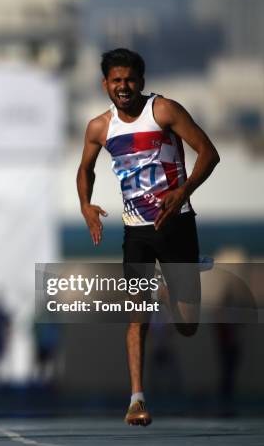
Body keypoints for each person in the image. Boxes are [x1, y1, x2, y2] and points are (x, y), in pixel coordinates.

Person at [76, 48, 220, 426]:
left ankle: (174, 288)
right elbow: (85, 169)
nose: (123, 87)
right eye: (116, 80)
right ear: (105, 84)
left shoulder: (164, 111)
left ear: (141, 81)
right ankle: (136, 399)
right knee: (136, 312)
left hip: (176, 224)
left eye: (129, 80)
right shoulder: (99, 127)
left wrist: (183, 192)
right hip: (135, 231)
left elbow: (209, 153)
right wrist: (86, 205)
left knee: (187, 326)